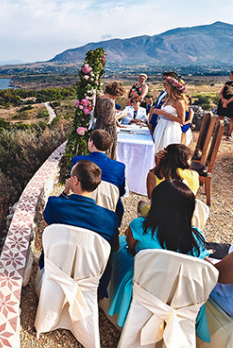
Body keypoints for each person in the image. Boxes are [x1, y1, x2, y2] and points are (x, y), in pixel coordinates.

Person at [107, 180, 211, 342]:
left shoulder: (139, 226)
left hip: (145, 287)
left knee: (120, 248)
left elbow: (132, 249)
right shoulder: (197, 237)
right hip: (180, 294)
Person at [41, 159, 119, 297]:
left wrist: (65, 192)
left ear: (75, 180)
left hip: (56, 272)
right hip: (88, 279)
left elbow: (47, 217)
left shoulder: (55, 205)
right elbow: (114, 247)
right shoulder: (109, 219)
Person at [72, 129, 126, 225]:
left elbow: (73, 184)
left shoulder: (78, 161)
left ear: (91, 143)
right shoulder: (119, 167)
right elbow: (121, 191)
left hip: (81, 204)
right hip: (107, 207)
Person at [139, 143, 199, 216]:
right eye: (190, 159)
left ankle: (144, 225)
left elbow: (151, 198)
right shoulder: (194, 175)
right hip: (183, 216)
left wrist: (158, 162)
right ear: (183, 161)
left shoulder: (154, 175)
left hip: (159, 216)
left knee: (141, 203)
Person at [149, 75, 187, 155]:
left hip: (170, 130)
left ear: (172, 87)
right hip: (160, 127)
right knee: (157, 152)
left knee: (166, 154)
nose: (164, 86)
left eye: (167, 85)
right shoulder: (167, 99)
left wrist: (163, 113)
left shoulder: (179, 102)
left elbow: (181, 120)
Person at [93, 81, 126, 159]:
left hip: (98, 124)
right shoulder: (110, 102)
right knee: (108, 149)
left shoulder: (99, 98)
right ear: (116, 93)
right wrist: (122, 115)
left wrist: (117, 123)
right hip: (107, 128)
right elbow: (109, 120)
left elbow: (96, 114)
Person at [217, 70, 233, 140]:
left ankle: (230, 135)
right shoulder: (227, 83)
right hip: (223, 102)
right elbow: (221, 92)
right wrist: (222, 99)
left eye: (231, 75)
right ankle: (218, 132)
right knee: (220, 117)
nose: (229, 76)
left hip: (231, 103)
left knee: (231, 119)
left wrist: (227, 102)